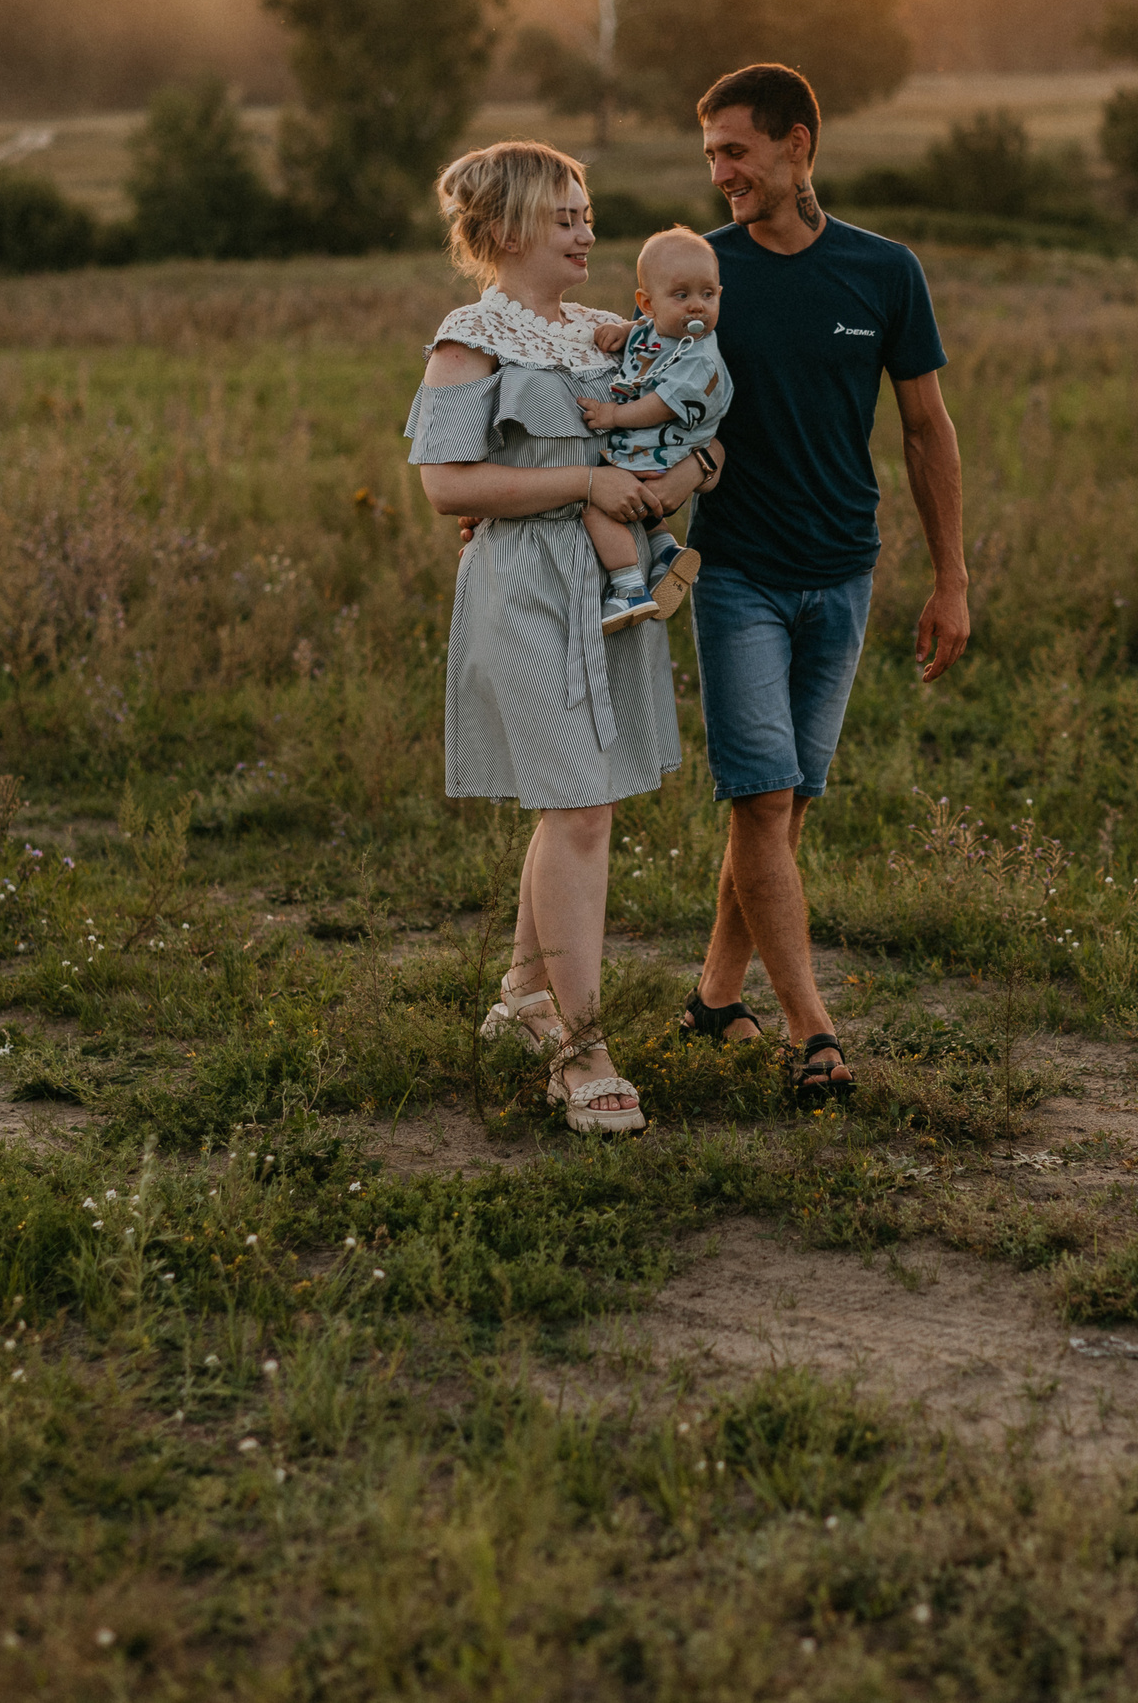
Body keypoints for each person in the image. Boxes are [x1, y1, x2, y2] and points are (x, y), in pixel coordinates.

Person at [404, 141, 719, 1136]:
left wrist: (696, 466)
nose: (588, 232)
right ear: (505, 231)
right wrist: (581, 482)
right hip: (523, 586)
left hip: (607, 582)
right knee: (579, 806)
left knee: (582, 803)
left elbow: (700, 403)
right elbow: (447, 485)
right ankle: (580, 1051)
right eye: (566, 217)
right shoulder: (470, 340)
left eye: (589, 214)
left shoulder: (613, 334)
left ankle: (523, 999)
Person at [676, 64, 971, 1101]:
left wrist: (951, 579)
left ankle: (714, 997)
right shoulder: (699, 275)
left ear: (797, 144)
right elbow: (613, 377)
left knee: (785, 806)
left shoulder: (883, 271)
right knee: (762, 799)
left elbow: (926, 428)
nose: (719, 173)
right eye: (710, 152)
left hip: (844, 572)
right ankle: (814, 1030)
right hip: (737, 574)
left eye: (735, 150)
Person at [577, 226, 728, 634]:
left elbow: (660, 405)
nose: (697, 307)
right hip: (655, 453)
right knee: (634, 506)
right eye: (682, 296)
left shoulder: (701, 358)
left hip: (662, 453)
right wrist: (627, 331)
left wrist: (612, 416)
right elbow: (648, 336)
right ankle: (663, 550)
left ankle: (628, 587)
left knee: (597, 503)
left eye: (708, 295)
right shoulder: (657, 330)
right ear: (647, 304)